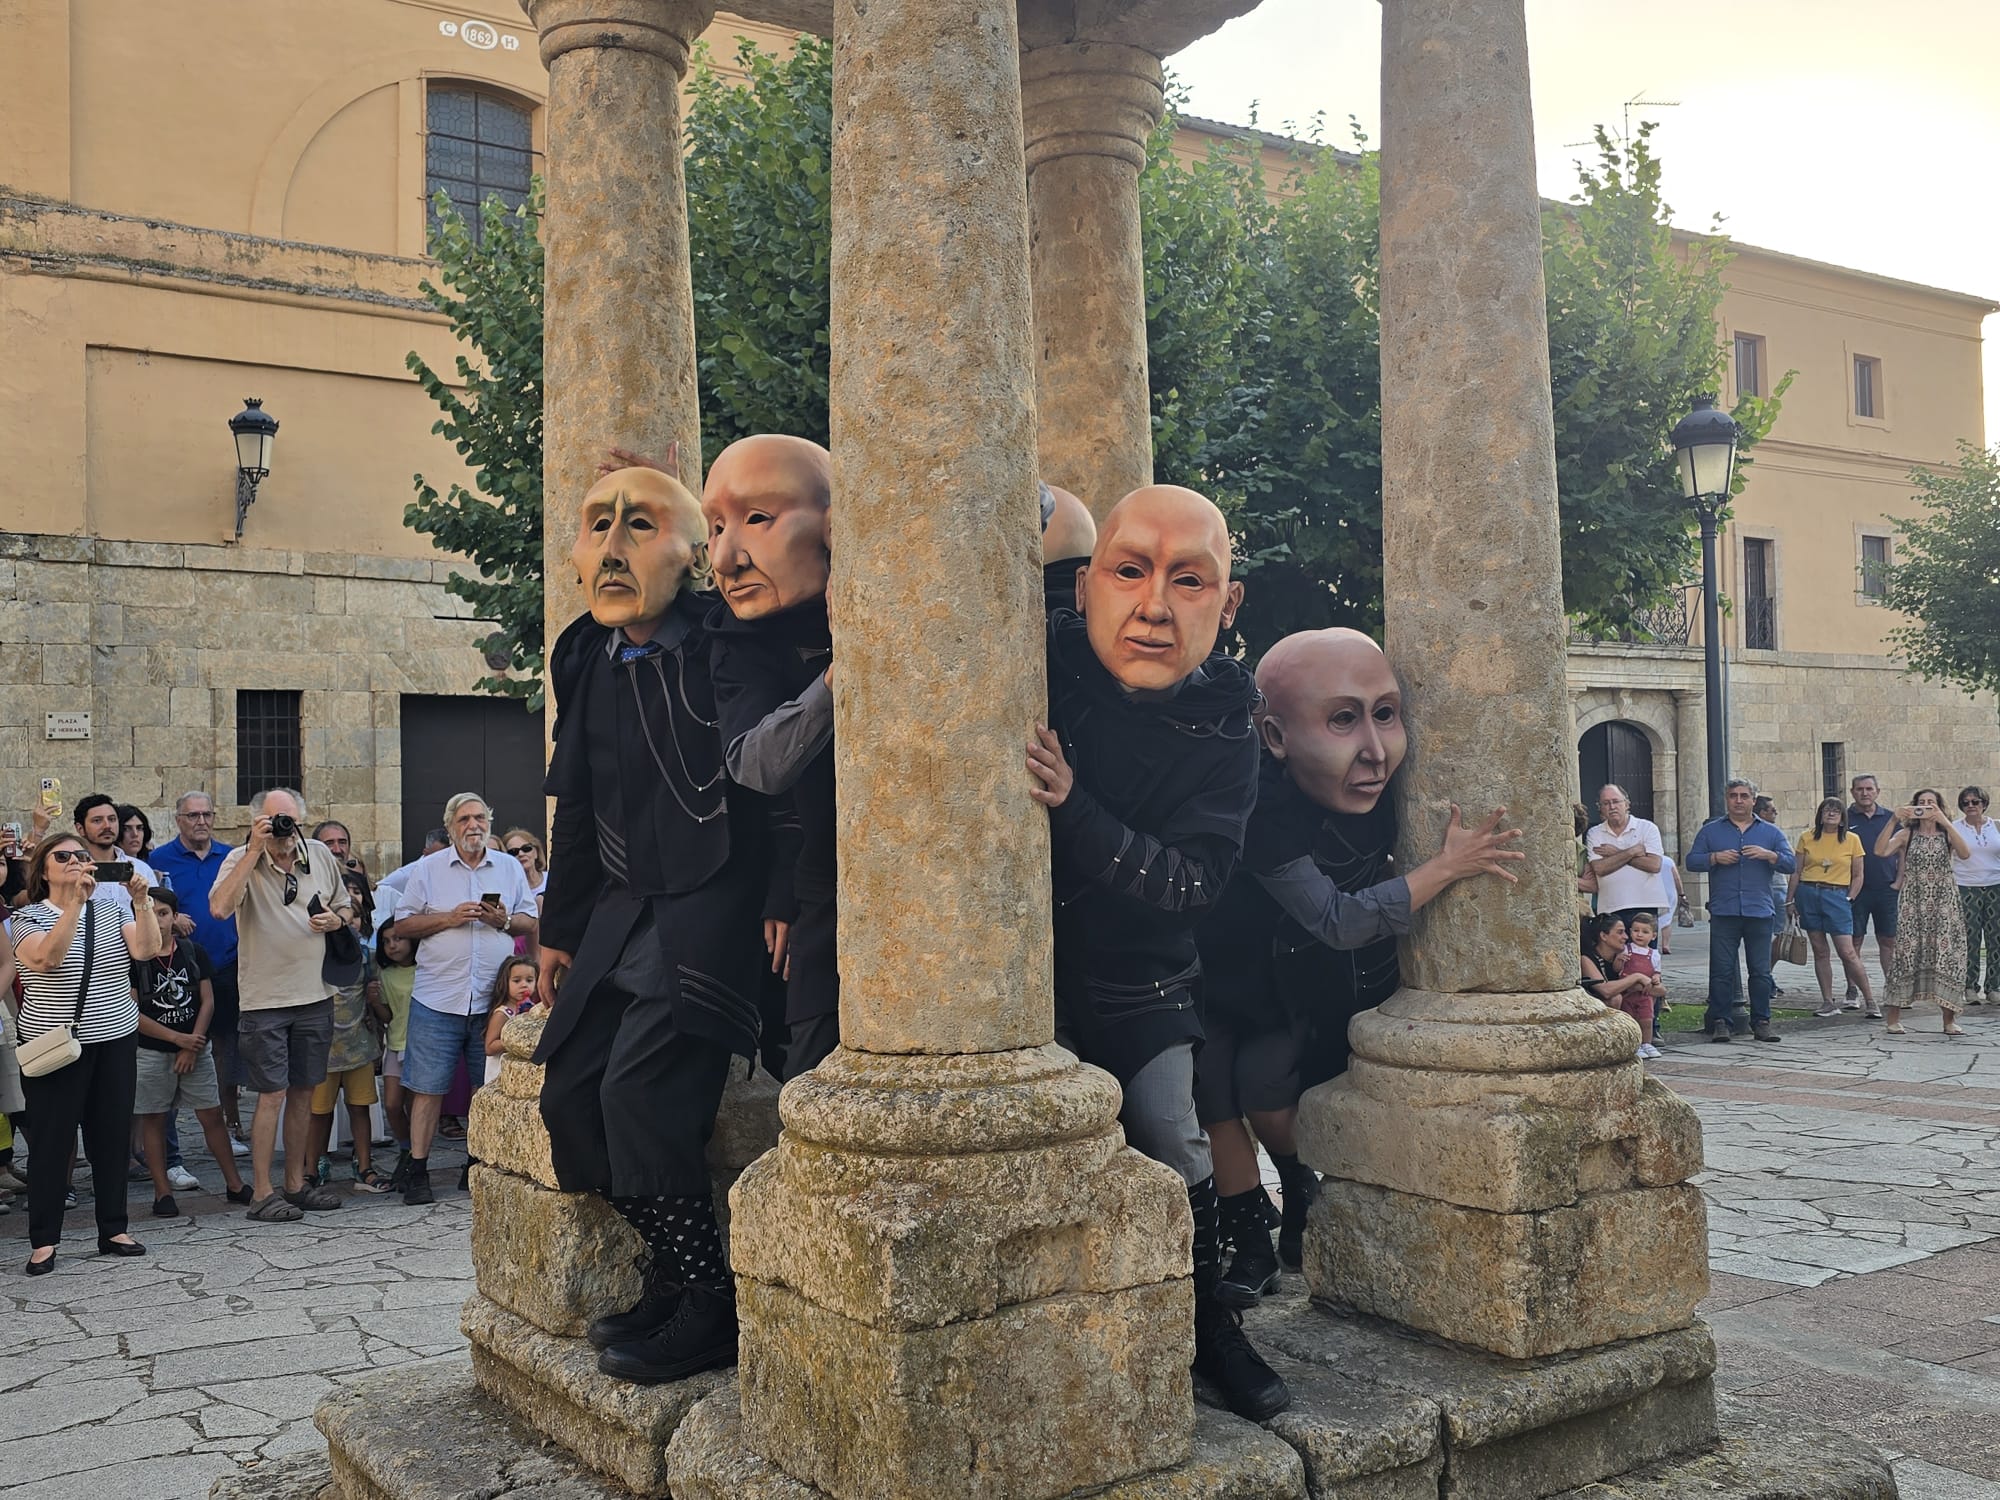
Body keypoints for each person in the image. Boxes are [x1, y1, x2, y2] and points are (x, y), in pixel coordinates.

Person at [1029, 483, 1288, 1422]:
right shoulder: (1040, 651)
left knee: (1171, 1132)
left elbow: (1193, 884)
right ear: (1087, 583)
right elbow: (1036, 511)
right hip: (1017, 964)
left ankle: (1210, 1327)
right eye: (1129, 571)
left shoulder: (1228, 726)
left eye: (1189, 581)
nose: (1152, 606)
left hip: (1142, 973)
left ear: (1228, 603)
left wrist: (1073, 806)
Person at [535, 459, 779, 1387]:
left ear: (692, 553)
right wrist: (558, 929)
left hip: (712, 908)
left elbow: (781, 795)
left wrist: (787, 900)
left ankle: (708, 1303)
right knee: (570, 1095)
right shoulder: (584, 654)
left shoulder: (731, 646)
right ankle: (678, 1277)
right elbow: (580, 803)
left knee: (642, 1095)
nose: (611, 548)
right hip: (620, 909)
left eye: (638, 527)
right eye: (598, 525)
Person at [1193, 627, 1520, 1304]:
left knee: (1263, 1095)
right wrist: (1446, 867)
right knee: (1218, 1102)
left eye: (1386, 714)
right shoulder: (1265, 807)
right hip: (1223, 968)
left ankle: (1295, 1197)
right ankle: (1252, 1237)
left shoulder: (1382, 789)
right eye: (1343, 720)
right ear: (1276, 738)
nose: (1375, 751)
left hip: (1294, 982)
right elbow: (1337, 920)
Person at [704, 434, 837, 1078]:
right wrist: (841, 678)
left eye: (758, 518)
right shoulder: (736, 640)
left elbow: (1038, 512)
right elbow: (757, 763)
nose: (726, 557)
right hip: (817, 900)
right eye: (714, 527)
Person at [12, 831, 159, 1271]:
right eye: (64, 856)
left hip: (114, 1037)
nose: (76, 860)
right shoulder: (28, 918)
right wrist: (75, 903)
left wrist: (142, 903)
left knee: (112, 1138)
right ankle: (44, 1239)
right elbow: (46, 960)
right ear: (43, 869)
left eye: (81, 855)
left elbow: (147, 948)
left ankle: (113, 1227)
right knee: (52, 1144)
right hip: (54, 1045)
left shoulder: (111, 908)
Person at [209, 788, 353, 1223]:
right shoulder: (241, 859)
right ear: (258, 822)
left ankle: (295, 1183)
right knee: (271, 1094)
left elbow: (347, 907)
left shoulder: (319, 857)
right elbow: (218, 908)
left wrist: (337, 920)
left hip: (315, 994)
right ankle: (262, 1193)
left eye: (290, 821)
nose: (284, 831)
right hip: (265, 999)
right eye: (274, 822)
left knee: (305, 1092)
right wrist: (254, 850)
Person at [391, 792, 536, 1206]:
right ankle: (418, 1169)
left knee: (486, 1086)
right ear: (451, 826)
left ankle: (476, 1164)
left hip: (492, 998)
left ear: (489, 822)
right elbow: (403, 924)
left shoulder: (508, 867)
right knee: (427, 1088)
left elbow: (530, 919)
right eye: (464, 819)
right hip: (438, 996)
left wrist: (503, 920)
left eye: (479, 818)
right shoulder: (428, 869)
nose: (473, 825)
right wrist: (449, 918)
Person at [131, 888, 251, 1216]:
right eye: (150, 913)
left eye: (165, 913)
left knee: (211, 1114)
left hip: (196, 1047)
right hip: (154, 1051)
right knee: (155, 1118)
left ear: (175, 916)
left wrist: (194, 1040)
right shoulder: (136, 958)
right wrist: (176, 1039)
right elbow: (133, 1011)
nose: (159, 919)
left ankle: (235, 1184)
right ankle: (162, 1193)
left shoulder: (192, 951)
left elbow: (207, 999)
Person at [150, 792, 249, 1147]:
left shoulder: (233, 856)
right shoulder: (159, 859)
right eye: (192, 816)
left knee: (226, 1045)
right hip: (178, 967)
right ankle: (165, 1134)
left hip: (228, 962)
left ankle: (230, 1121)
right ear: (178, 820)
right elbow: (150, 906)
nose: (201, 822)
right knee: (174, 1047)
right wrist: (173, 919)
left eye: (207, 814)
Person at [1685, 778, 1794, 1044]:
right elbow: (1691, 861)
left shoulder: (1770, 832)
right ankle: (1721, 1022)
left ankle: (1762, 1022)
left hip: (1759, 910)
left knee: (1760, 971)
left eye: (1744, 796)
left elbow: (1791, 864)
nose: (1739, 800)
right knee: (1722, 969)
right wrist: (1714, 858)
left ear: (1753, 800)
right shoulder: (1712, 831)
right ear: (1727, 799)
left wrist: (1770, 856)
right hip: (1725, 910)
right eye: (1733, 795)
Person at [305, 897, 390, 1195]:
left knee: (360, 1108)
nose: (347, 924)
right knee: (318, 1112)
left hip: (358, 1047)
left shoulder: (366, 957)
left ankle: (364, 1166)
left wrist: (374, 1004)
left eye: (353, 918)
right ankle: (311, 1169)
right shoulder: (311, 957)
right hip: (322, 1051)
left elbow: (377, 1002)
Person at [1876, 791, 1971, 1037]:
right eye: (1921, 803)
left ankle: (1949, 1020)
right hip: (1913, 901)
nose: (1926, 807)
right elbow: (1880, 851)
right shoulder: (1907, 834)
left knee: (1946, 955)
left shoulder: (1947, 835)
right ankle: (1894, 1018)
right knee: (1905, 955)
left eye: (1931, 803)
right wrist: (1892, 820)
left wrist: (1945, 822)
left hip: (1944, 901)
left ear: (1939, 806)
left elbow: (1965, 853)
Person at [1787, 797, 1873, 1018]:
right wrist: (1790, 900)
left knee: (1847, 951)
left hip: (1837, 895)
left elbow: (1858, 874)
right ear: (1820, 814)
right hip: (1809, 892)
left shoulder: (1852, 840)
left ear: (1843, 816)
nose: (1831, 813)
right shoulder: (1807, 837)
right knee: (1820, 950)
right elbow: (1796, 871)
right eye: (1827, 809)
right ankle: (1827, 1001)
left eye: (1836, 810)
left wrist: (1850, 898)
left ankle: (1870, 1000)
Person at [1845, 774, 1900, 1009]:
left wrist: (1900, 879)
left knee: (1888, 939)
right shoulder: (1845, 819)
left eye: (1869, 789)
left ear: (1877, 791)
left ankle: (1892, 990)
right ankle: (1852, 990)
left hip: (1886, 888)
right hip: (1855, 890)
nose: (1864, 793)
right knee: (1853, 941)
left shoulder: (1891, 818)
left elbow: (1903, 849)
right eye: (1859, 789)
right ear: (1852, 792)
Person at [1585, 784, 1664, 931]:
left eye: (1616, 801)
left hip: (1645, 904)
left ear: (1626, 804)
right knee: (1616, 954)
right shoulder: (1594, 833)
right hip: (1611, 906)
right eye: (1606, 803)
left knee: (1642, 952)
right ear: (1600, 808)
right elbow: (1600, 868)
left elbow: (1654, 865)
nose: (1612, 806)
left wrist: (1615, 853)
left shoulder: (1648, 828)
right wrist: (1632, 851)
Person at [1580, 914, 1660, 1059]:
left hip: (1633, 1005)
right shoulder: (1587, 959)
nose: (1625, 937)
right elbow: (1605, 990)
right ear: (1604, 936)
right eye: (1620, 932)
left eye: (1625, 932)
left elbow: (1661, 990)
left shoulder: (1627, 957)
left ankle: (1644, 1042)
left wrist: (1647, 984)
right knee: (1615, 998)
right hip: (1593, 1011)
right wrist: (1636, 977)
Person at [375, 919, 417, 1189]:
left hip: (419, 1044)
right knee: (391, 1104)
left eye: (398, 939)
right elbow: (388, 1015)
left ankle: (415, 1155)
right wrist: (374, 1003)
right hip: (395, 1043)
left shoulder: (425, 970)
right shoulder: (385, 975)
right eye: (387, 941)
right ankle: (405, 1147)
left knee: (415, 1107)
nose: (392, 945)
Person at [1951, 786, 2000, 1007]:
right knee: (1970, 939)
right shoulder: (1955, 828)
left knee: (1995, 939)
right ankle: (1970, 986)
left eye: (1975, 802)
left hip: (1994, 886)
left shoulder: (1996, 826)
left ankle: (1994, 986)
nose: (1971, 806)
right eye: (1966, 803)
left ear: (1984, 804)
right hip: (1966, 886)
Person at [73, 793, 156, 920]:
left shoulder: (141, 868)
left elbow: (157, 912)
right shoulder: (73, 869)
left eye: (112, 819)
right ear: (80, 829)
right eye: (97, 820)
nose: (107, 826)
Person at [484, 955, 541, 1083]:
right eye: (516, 981)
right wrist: (515, 1040)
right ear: (505, 982)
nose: (524, 985)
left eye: (529, 980)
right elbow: (489, 1047)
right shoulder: (502, 1013)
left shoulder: (534, 1010)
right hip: (500, 1073)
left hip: (521, 1074)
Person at [375, 828, 448, 921]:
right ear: (425, 853)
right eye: (437, 856)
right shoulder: (406, 874)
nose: (441, 860)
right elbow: (378, 891)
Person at [1656, 851, 1685, 956]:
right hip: (1669, 893)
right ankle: (1665, 945)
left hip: (1655, 893)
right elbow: (1677, 878)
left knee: (1652, 919)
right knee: (1667, 920)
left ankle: (1652, 943)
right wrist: (1681, 893)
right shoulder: (1668, 861)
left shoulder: (1651, 860)